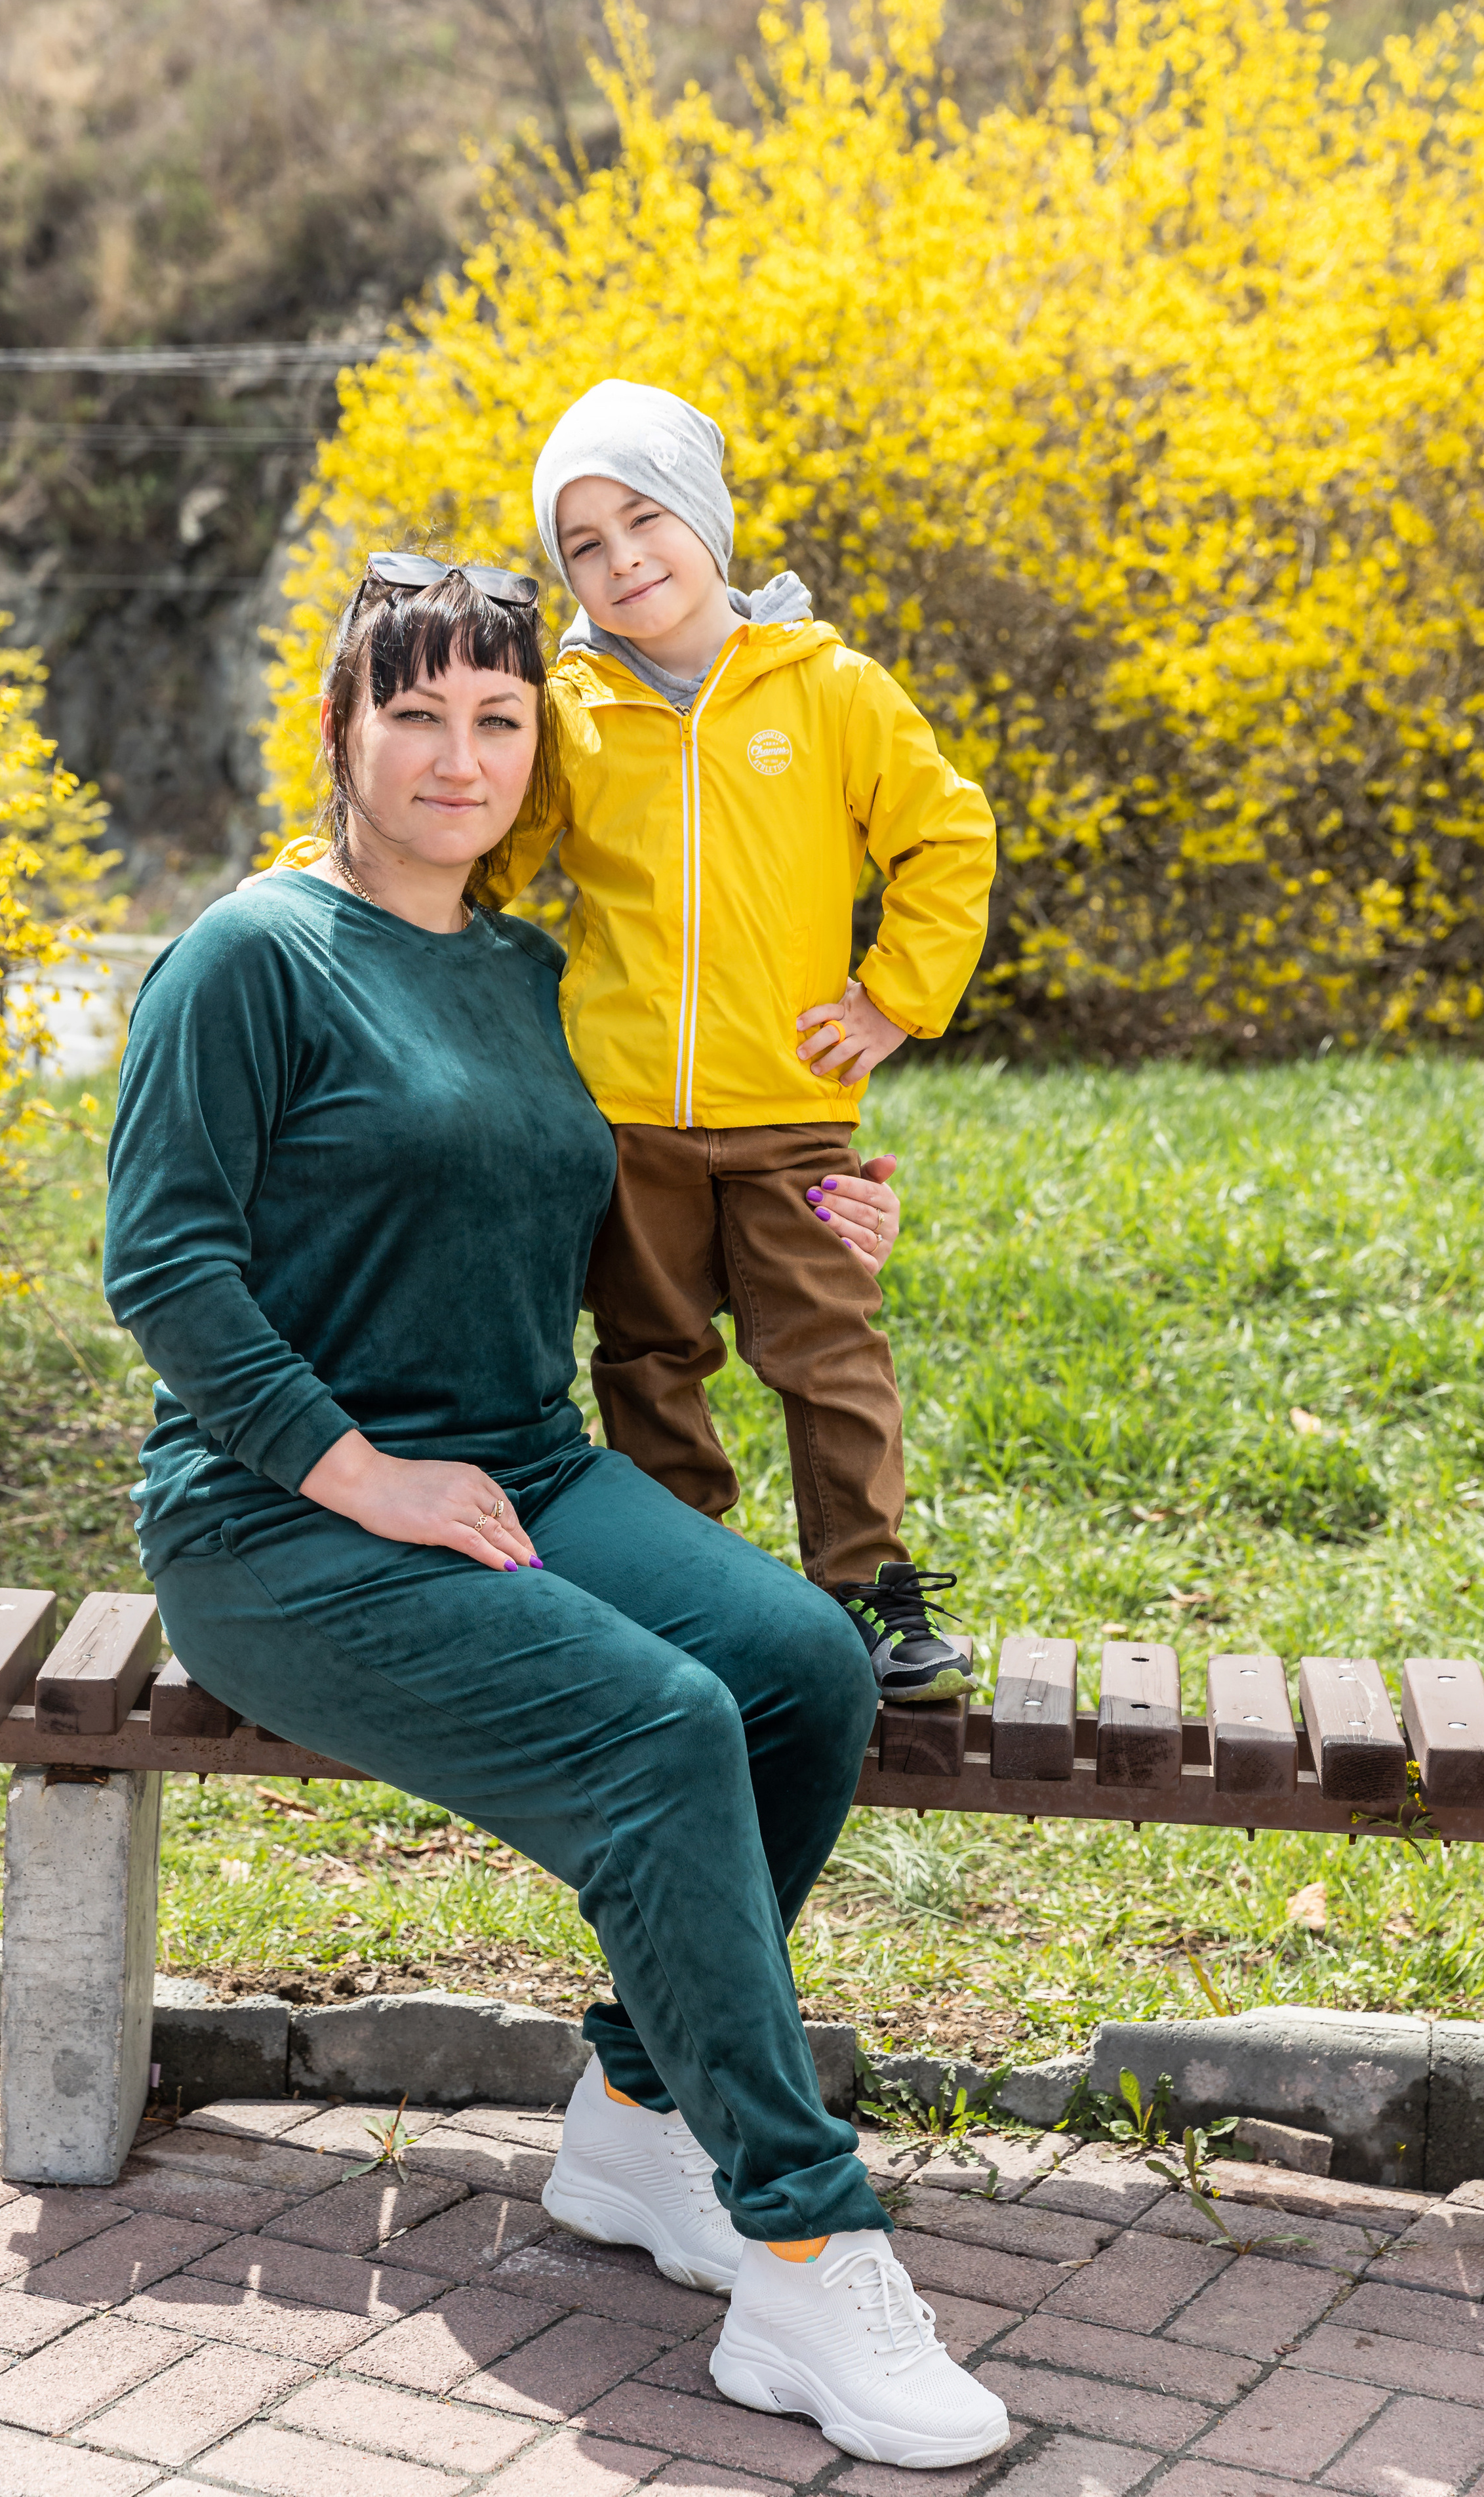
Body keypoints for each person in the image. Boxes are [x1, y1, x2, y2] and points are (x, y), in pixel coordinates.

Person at [104, 557, 1011, 2470]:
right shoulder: (251, 957)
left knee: (792, 1668)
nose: (458, 754)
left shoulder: (531, 973)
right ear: (339, 727)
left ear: (542, 749)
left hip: (515, 1466)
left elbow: (657, 1194)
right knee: (659, 1725)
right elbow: (165, 1267)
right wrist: (360, 1473)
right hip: (279, 1517)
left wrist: (834, 1204)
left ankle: (629, 2121)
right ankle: (802, 2242)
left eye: (499, 718)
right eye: (414, 712)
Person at [515, 380, 995, 1699]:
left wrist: (893, 997)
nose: (622, 561)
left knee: (826, 1351)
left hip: (792, 1108)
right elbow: (481, 854)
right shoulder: (566, 713)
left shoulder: (831, 691)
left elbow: (946, 838)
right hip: (624, 1117)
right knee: (648, 1361)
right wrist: (327, 876)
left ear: (705, 517)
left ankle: (869, 1590)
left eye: (641, 517)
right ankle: (692, 1592)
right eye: (584, 547)